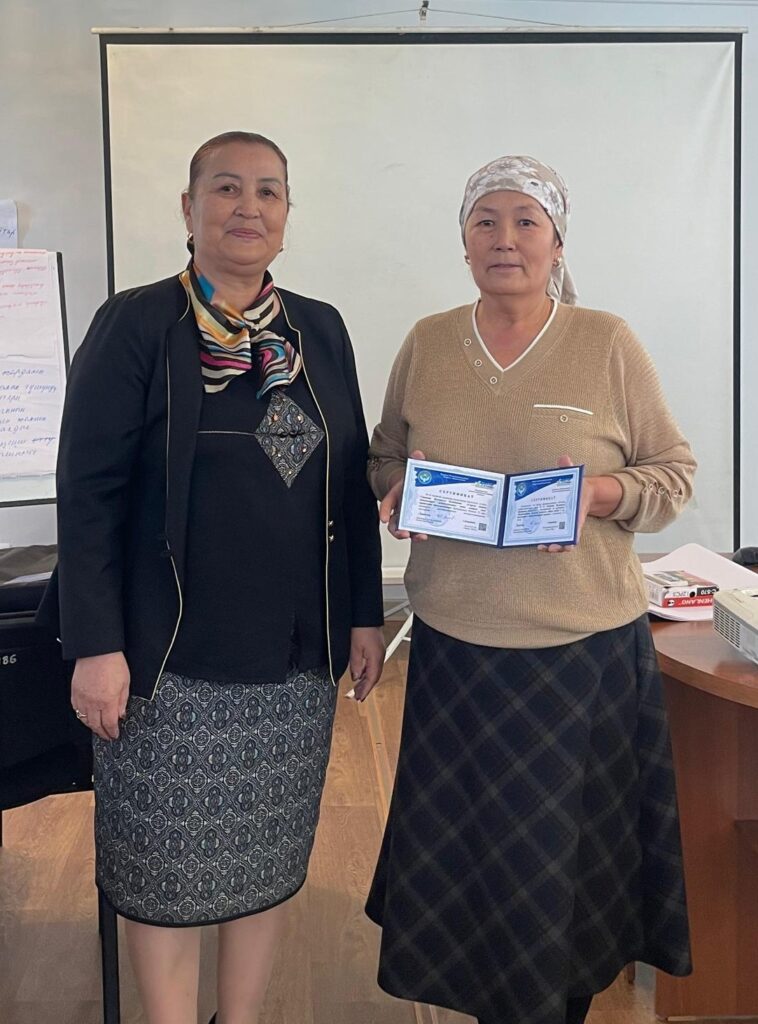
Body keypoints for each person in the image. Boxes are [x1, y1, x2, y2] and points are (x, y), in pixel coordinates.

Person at [39, 131, 384, 1024]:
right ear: (188, 210)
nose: (248, 207)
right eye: (226, 188)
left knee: (265, 861)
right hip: (166, 663)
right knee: (164, 870)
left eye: (269, 191)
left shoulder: (318, 329)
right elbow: (88, 494)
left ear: (287, 214)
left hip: (294, 659)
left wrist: (363, 614)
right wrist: (96, 646)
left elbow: (347, 482)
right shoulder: (138, 324)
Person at [364, 155, 694, 1024]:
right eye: (485, 221)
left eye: (525, 222)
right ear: (464, 241)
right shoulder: (429, 342)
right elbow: (384, 452)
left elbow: (673, 473)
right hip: (457, 648)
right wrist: (398, 489)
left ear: (557, 242)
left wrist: (600, 494)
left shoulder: (607, 342)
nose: (504, 239)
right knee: (471, 869)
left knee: (569, 877)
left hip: (583, 654)